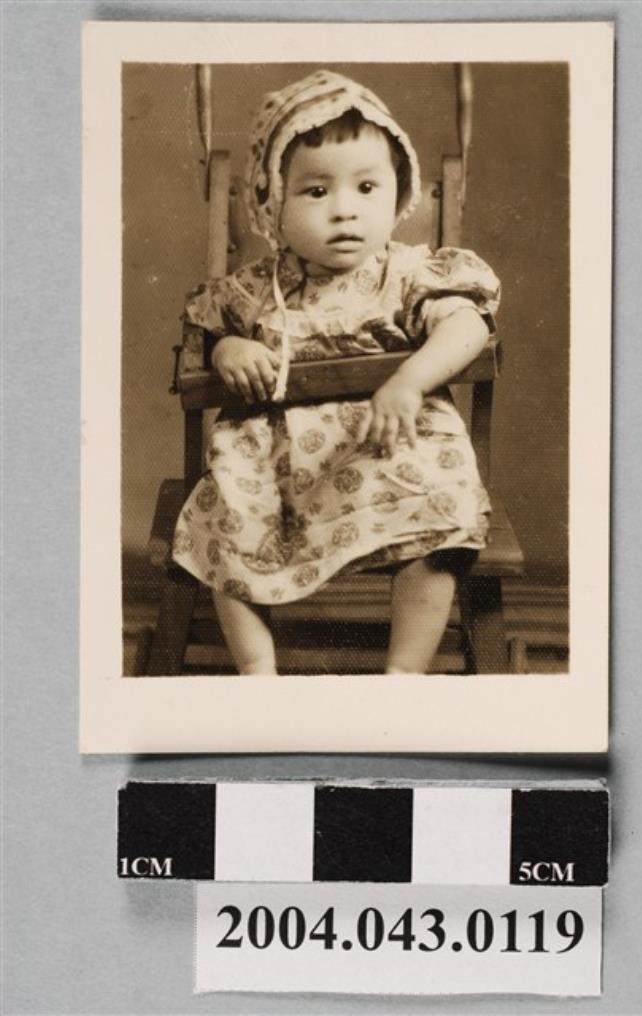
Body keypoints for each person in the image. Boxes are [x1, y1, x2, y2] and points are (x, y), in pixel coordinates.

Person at [172, 70, 501, 675]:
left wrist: (408, 380)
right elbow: (205, 333)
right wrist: (228, 350)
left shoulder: (406, 275)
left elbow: (468, 326)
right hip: (272, 462)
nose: (346, 210)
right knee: (223, 522)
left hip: (386, 449)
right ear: (273, 203)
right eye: (317, 191)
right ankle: (257, 670)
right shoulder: (256, 288)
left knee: (439, 513)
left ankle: (404, 671)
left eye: (367, 187)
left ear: (397, 194)